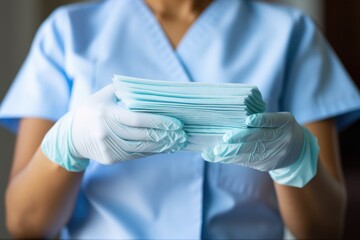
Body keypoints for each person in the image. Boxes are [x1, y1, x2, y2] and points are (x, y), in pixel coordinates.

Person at [1, 0, 360, 239]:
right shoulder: (66, 33)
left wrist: (294, 159)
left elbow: (325, 227)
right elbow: (26, 223)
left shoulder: (292, 35)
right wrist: (69, 144)